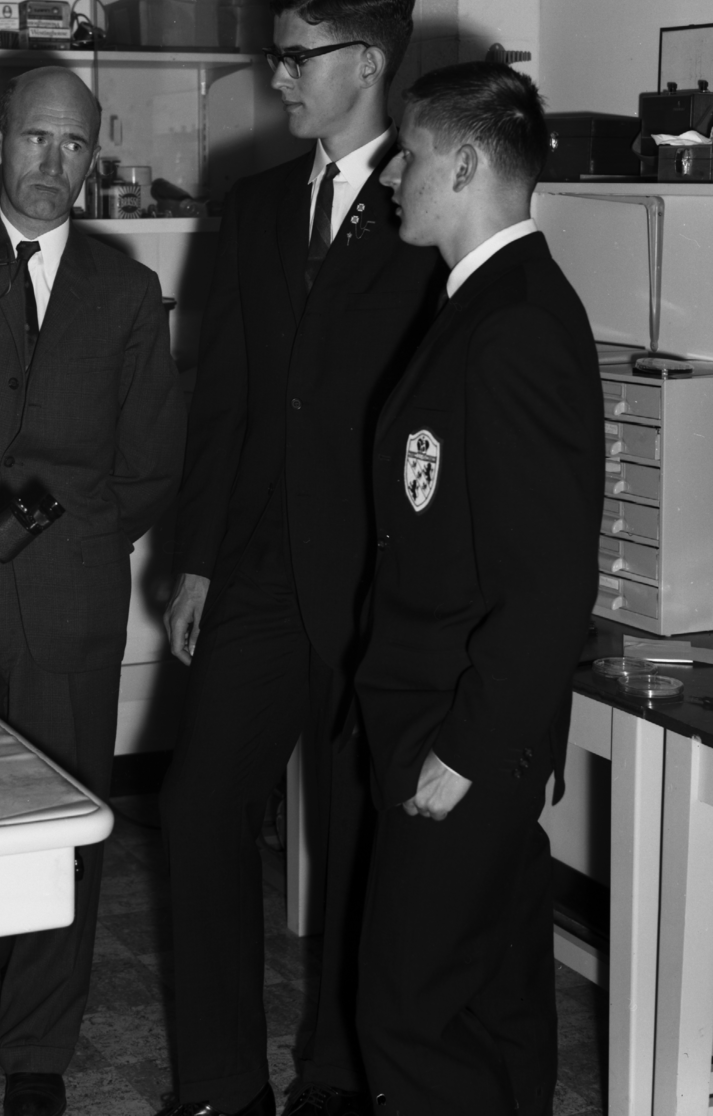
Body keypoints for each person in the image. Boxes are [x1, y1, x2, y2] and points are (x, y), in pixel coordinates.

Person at [158, 0, 445, 1116]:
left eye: (297, 55)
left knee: (354, 829)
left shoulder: (432, 207)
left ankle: (334, 1073)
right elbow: (226, 394)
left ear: (366, 66)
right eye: (276, 52)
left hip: (377, 585)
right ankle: (224, 1082)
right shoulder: (260, 199)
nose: (275, 74)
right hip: (262, 569)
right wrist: (199, 559)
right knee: (196, 806)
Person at [0, 66, 185, 1116]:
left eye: (77, 147)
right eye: (40, 140)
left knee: (66, 822)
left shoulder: (126, 289)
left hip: (69, 604)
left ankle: (40, 1047)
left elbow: (151, 462)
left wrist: (70, 545)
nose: (57, 166)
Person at [353, 62, 604, 1115]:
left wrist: (471, 748)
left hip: (457, 728)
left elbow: (545, 584)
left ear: (461, 163)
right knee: (495, 996)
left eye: (407, 155)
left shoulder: (513, 326)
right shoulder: (483, 304)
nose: (392, 177)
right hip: (463, 719)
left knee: (408, 1014)